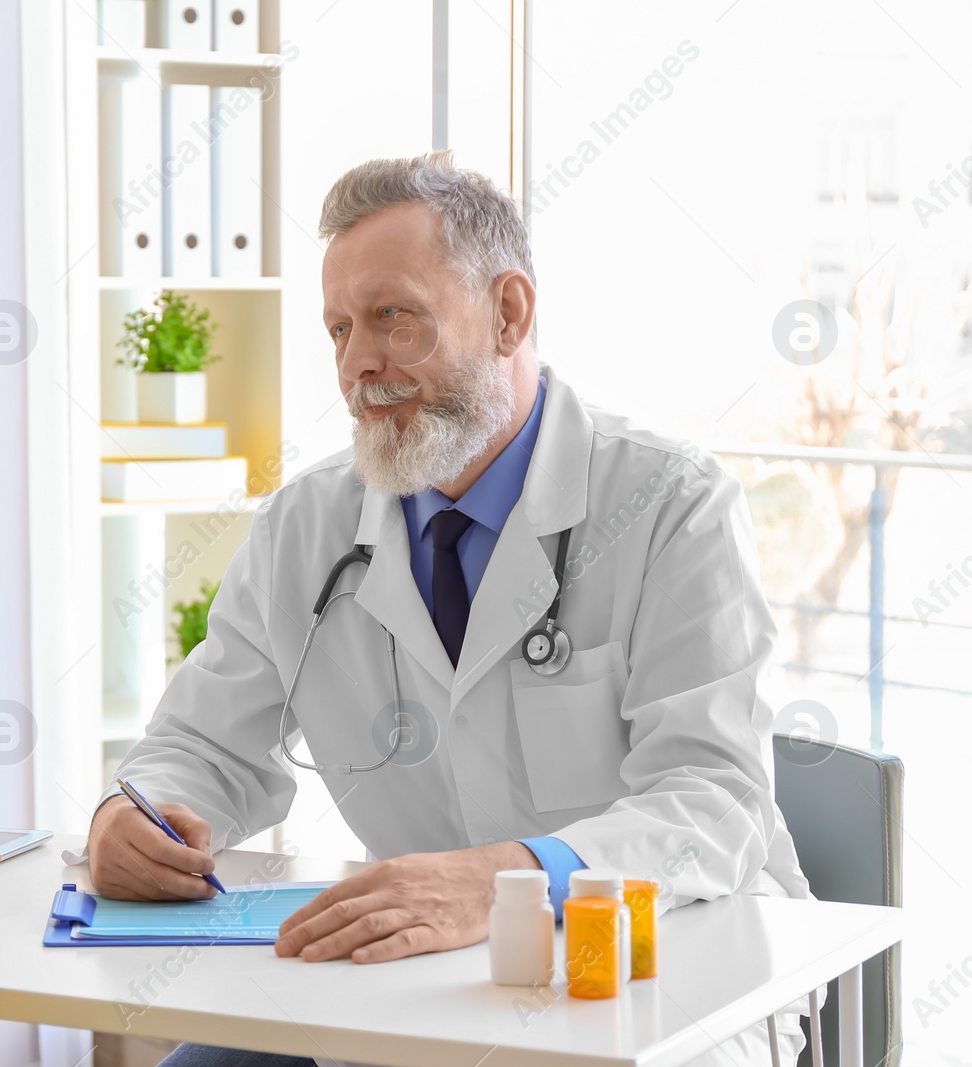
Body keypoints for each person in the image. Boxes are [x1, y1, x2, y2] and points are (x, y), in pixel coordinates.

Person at [87, 152, 812, 1067]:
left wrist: (505, 880)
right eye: (339, 329)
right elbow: (202, 743)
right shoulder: (308, 524)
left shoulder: (671, 504)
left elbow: (713, 800)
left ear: (509, 312)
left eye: (393, 318)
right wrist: (139, 815)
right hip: (421, 981)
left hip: (664, 967)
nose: (358, 365)